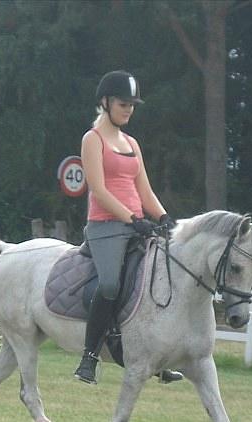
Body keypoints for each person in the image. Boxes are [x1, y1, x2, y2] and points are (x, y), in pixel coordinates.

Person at [74, 70, 182, 385]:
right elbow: (98, 189)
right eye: (123, 103)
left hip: (137, 226)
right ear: (105, 102)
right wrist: (132, 219)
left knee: (159, 280)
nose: (129, 109)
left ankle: (159, 358)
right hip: (105, 227)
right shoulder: (92, 140)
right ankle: (89, 356)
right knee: (109, 285)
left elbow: (145, 192)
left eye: (132, 105)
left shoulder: (131, 143)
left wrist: (163, 218)